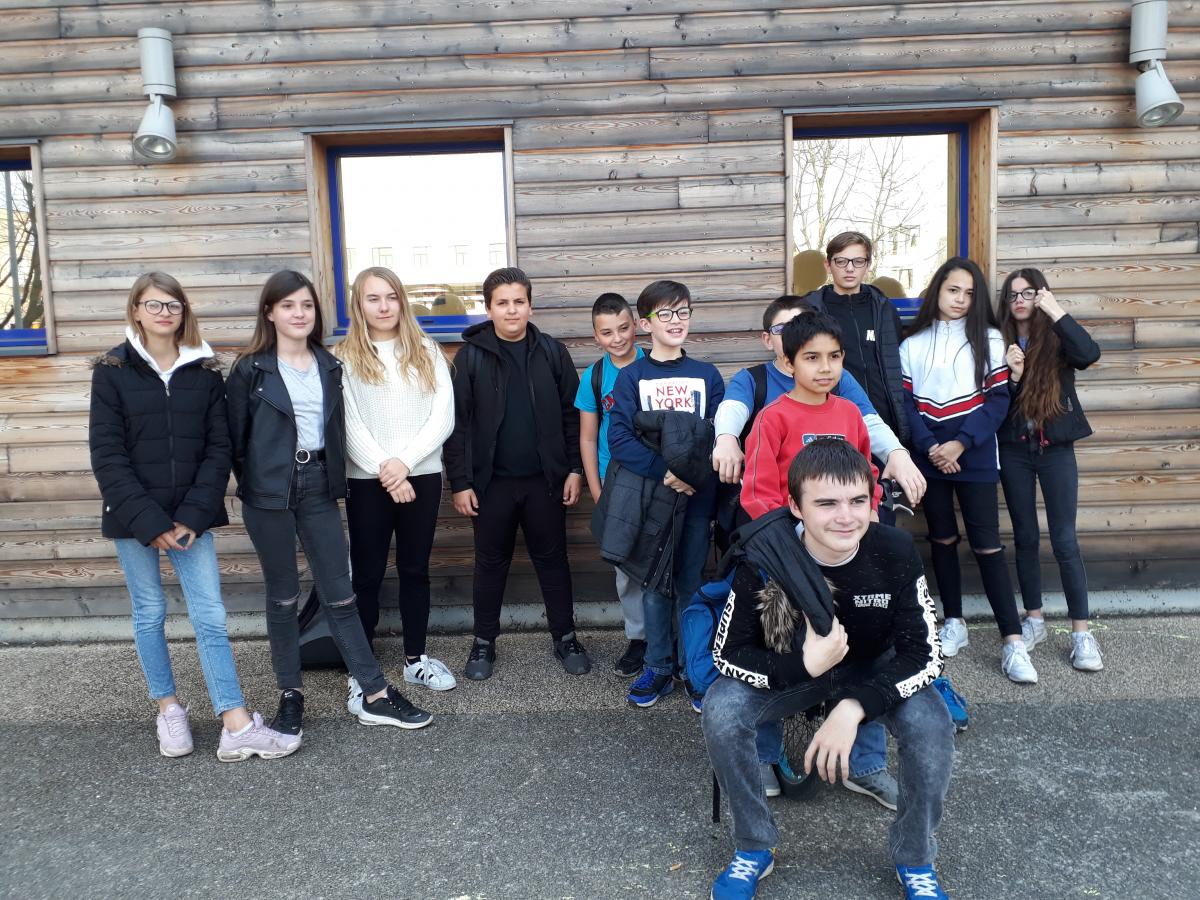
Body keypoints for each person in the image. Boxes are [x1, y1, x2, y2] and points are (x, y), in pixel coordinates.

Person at [704, 439, 953, 900]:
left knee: (932, 723)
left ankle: (915, 857)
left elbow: (926, 655)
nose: (846, 517)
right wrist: (801, 665)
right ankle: (754, 846)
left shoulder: (895, 549)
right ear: (796, 507)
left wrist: (855, 707)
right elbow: (728, 654)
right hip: (798, 670)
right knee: (722, 710)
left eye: (858, 501)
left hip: (873, 671)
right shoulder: (765, 555)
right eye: (826, 504)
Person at [89, 272, 299, 761]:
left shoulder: (204, 372)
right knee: (150, 613)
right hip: (133, 517)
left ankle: (235, 723)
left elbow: (218, 448)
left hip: (191, 519)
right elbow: (107, 454)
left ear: (184, 312)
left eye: (173, 305)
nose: (164, 313)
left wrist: (191, 515)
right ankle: (169, 709)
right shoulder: (112, 370)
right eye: (154, 304)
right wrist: (151, 522)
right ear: (136, 310)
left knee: (210, 615)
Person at [227, 270, 432, 735]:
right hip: (269, 493)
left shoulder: (329, 365)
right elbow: (235, 441)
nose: (299, 314)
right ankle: (290, 695)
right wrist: (259, 483)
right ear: (270, 313)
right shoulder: (251, 369)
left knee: (341, 594)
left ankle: (375, 693)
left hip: (318, 484)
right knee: (282, 597)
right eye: (288, 306)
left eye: (306, 305)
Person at [443, 266, 591, 680]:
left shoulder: (552, 353)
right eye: (502, 303)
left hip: (545, 481)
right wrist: (460, 483)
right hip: (491, 485)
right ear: (489, 309)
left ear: (530, 306)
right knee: (490, 564)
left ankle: (565, 637)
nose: (512, 310)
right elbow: (457, 425)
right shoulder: (470, 358)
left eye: (519, 302)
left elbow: (573, 415)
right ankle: (483, 642)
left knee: (553, 560)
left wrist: (575, 469)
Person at [900, 257, 1036, 684]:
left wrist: (960, 443)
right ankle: (954, 622)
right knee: (941, 538)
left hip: (974, 453)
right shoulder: (911, 343)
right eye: (953, 290)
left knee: (987, 546)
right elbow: (906, 405)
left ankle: (1013, 641)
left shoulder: (991, 340)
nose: (960, 299)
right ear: (937, 290)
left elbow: (998, 401)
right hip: (928, 454)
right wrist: (931, 447)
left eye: (970, 293)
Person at [336, 266, 457, 691]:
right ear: (359, 305)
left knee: (415, 569)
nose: (384, 306)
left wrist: (403, 463)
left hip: (421, 475)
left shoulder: (427, 351)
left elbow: (443, 417)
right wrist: (387, 471)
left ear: (402, 301)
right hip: (366, 480)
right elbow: (348, 424)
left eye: (391, 297)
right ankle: (362, 668)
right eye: (373, 298)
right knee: (366, 574)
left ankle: (415, 659)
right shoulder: (344, 357)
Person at [608, 280, 724, 708]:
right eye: (666, 314)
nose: (676, 321)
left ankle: (693, 668)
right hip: (652, 502)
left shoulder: (708, 376)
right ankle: (658, 666)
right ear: (646, 323)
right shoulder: (631, 377)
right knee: (654, 585)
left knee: (691, 582)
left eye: (683, 312)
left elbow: (719, 436)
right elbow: (620, 439)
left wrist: (693, 477)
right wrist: (667, 473)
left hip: (697, 500)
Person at [712, 294, 925, 511]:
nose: (824, 367)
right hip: (787, 514)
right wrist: (726, 438)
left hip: (843, 511)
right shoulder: (756, 383)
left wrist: (896, 452)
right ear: (768, 339)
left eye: (802, 323)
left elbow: (868, 422)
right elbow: (732, 408)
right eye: (783, 328)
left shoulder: (841, 385)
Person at [997, 268, 1103, 671]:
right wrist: (1013, 378)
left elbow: (1088, 355)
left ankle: (1081, 634)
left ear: (1041, 295)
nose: (1020, 301)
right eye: (1013, 295)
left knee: (1064, 540)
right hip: (1014, 450)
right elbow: (996, 403)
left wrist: (1055, 310)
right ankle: (1035, 619)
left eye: (1028, 293)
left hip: (1055, 449)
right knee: (1025, 537)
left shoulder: (1057, 336)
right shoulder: (998, 341)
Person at [800, 232, 915, 524]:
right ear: (828, 265)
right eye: (841, 261)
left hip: (881, 419)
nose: (850, 269)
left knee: (881, 510)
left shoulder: (882, 308)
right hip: (834, 422)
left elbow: (892, 363)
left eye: (858, 261)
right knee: (838, 505)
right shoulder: (811, 308)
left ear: (868, 264)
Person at [741, 312, 880, 519]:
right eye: (812, 358)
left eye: (834, 356)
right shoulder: (771, 418)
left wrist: (872, 509)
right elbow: (758, 493)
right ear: (789, 363)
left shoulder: (850, 413)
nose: (825, 368)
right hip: (791, 529)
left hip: (847, 525)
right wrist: (784, 531)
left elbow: (867, 472)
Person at [575, 292, 647, 677]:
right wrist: (596, 488)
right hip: (614, 481)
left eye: (623, 328)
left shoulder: (655, 364)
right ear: (596, 336)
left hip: (657, 479)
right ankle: (639, 639)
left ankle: (671, 638)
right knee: (626, 566)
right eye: (607, 332)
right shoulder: (595, 376)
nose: (617, 338)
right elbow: (588, 437)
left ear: (635, 325)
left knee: (665, 559)